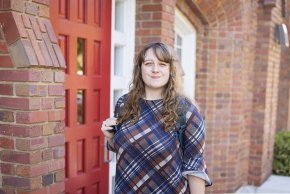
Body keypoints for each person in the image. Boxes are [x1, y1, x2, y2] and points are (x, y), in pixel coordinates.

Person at [101, 42, 212, 194]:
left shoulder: (186, 111)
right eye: (148, 63)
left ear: (170, 70)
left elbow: (195, 165)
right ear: (140, 68)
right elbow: (125, 149)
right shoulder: (124, 103)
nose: (155, 69)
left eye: (162, 64)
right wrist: (110, 138)